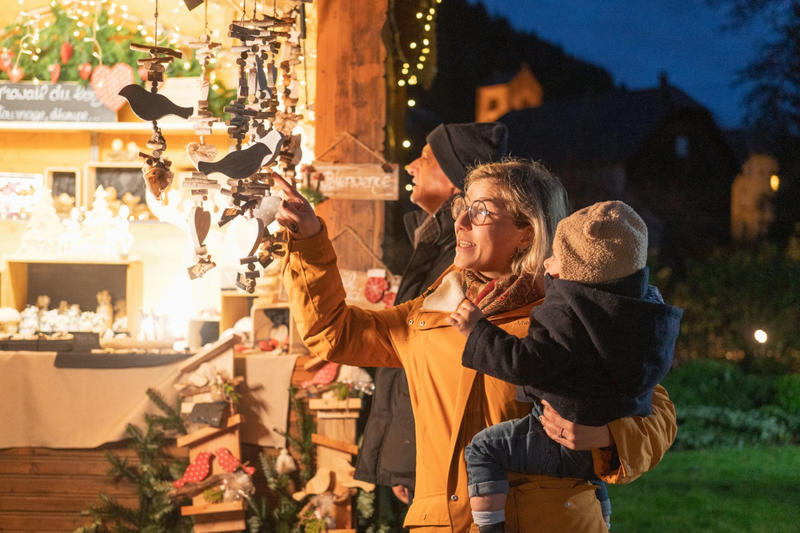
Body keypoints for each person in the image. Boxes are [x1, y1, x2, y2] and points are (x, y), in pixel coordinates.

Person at [273, 160, 678, 532]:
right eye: (462, 207)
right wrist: (309, 240)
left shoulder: (573, 315)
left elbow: (657, 410)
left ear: (527, 232)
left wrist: (606, 435)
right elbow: (333, 332)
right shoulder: (427, 315)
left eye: (481, 210)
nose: (462, 220)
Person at [449, 200, 683, 532]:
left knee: (484, 449)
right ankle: (604, 515)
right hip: (585, 463)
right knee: (585, 477)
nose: (547, 262)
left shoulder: (566, 314)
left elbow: (526, 362)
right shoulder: (640, 315)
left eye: (482, 211)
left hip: (557, 455)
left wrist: (479, 333)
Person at [355, 121, 511, 506]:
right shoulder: (434, 246)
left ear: (458, 181)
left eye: (426, 158)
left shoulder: (461, 260)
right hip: (431, 460)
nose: (410, 166)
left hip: (448, 468)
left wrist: (412, 460)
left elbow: (444, 363)